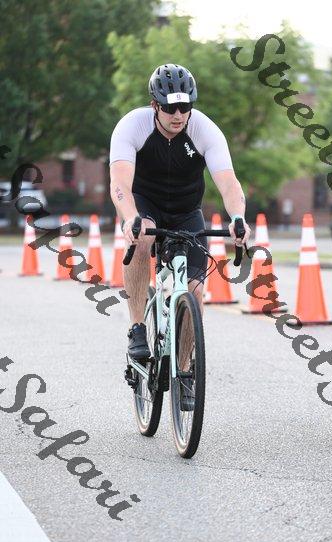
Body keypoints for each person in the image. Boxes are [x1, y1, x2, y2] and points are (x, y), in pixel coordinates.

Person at [109, 63, 251, 360]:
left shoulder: (204, 130)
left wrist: (238, 217)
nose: (178, 115)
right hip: (145, 204)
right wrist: (130, 217)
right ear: (154, 105)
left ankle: (184, 369)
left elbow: (229, 184)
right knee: (142, 237)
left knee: (195, 294)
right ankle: (136, 326)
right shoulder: (132, 126)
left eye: (184, 107)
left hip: (187, 211)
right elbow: (120, 183)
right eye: (169, 108)